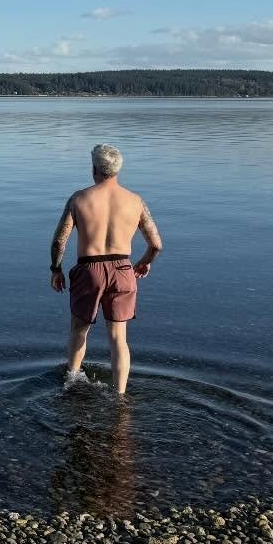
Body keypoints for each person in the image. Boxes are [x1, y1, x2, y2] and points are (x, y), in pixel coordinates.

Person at [49, 143, 163, 395]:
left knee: (79, 329)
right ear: (117, 170)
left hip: (89, 270)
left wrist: (55, 269)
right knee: (118, 338)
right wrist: (144, 262)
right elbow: (156, 244)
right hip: (123, 269)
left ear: (94, 169)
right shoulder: (135, 201)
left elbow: (60, 240)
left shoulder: (79, 199)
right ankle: (120, 395)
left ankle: (72, 381)